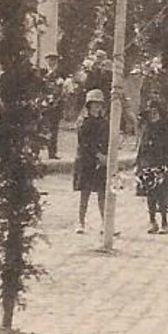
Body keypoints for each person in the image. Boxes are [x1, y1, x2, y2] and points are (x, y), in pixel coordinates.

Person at [135, 97, 168, 235]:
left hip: (162, 164)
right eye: (150, 112)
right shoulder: (146, 127)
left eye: (155, 112)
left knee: (163, 194)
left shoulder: (166, 127)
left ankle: (165, 221)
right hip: (148, 163)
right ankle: (152, 221)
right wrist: (139, 164)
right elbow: (141, 146)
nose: (153, 115)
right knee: (150, 194)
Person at [73, 89, 110, 234]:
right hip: (86, 161)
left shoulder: (104, 123)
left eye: (99, 105)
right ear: (88, 106)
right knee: (85, 193)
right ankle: (81, 222)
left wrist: (105, 156)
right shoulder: (83, 122)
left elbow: (106, 140)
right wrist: (97, 154)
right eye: (94, 104)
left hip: (101, 162)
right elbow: (84, 143)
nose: (97, 107)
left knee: (102, 193)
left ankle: (105, 223)